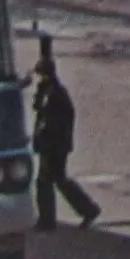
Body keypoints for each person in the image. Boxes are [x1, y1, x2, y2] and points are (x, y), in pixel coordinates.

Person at [29, 55, 100, 230]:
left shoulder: (54, 93)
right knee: (59, 180)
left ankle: (48, 220)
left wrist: (44, 140)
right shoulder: (50, 90)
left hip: (54, 145)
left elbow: (48, 117)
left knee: (45, 181)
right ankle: (87, 210)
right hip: (55, 144)